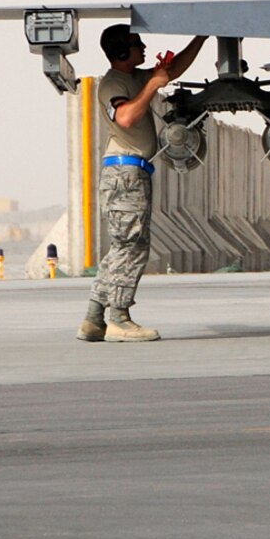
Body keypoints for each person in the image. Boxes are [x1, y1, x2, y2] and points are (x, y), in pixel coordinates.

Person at [77, 24, 207, 342]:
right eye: (137, 43)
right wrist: (153, 87)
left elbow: (170, 71)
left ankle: (94, 319)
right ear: (122, 51)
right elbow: (126, 117)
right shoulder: (113, 84)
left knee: (124, 248)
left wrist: (201, 36)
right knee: (131, 248)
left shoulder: (134, 78)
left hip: (132, 175)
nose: (144, 47)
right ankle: (119, 319)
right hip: (125, 176)